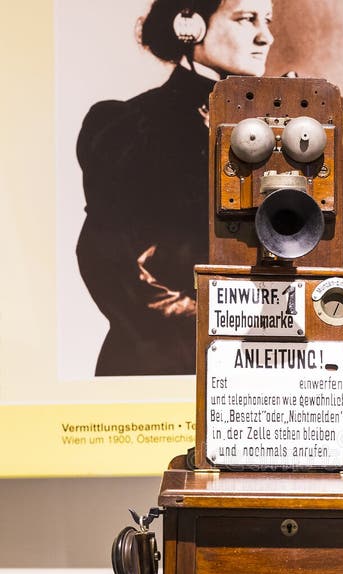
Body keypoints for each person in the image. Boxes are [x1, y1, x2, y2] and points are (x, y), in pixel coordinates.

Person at [76, 0, 275, 376]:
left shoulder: (283, 126)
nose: (266, 36)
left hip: (257, 358)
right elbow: (109, 263)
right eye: (246, 19)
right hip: (163, 359)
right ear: (190, 25)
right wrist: (223, 329)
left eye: (267, 20)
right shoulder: (130, 124)